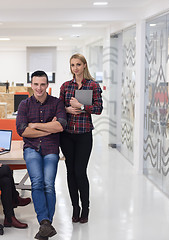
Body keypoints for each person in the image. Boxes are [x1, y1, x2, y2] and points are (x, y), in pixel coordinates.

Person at [16, 70, 66, 240]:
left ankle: (46, 224)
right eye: (36, 84)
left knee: (48, 184)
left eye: (42, 84)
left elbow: (60, 126)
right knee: (37, 182)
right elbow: (22, 130)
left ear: (47, 85)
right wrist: (48, 128)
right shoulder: (24, 104)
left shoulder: (57, 103)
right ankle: (45, 222)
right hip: (31, 149)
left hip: (51, 149)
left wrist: (35, 125)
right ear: (31, 85)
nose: (39, 88)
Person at [59, 53, 103, 224]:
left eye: (78, 64)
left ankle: (85, 208)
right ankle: (74, 207)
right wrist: (67, 110)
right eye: (72, 65)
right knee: (70, 172)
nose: (75, 68)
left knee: (80, 172)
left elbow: (98, 108)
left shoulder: (93, 85)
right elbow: (58, 108)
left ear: (84, 65)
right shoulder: (65, 86)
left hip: (84, 134)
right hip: (67, 134)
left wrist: (82, 106)